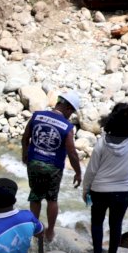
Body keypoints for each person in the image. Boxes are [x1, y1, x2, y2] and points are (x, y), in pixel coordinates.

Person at [82, 103, 128, 253]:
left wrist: (85, 189)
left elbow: (91, 171)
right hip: (124, 191)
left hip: (100, 191)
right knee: (116, 225)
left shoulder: (102, 143)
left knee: (97, 223)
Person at [21, 92, 82, 243]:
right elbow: (72, 152)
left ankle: (34, 229)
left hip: (34, 162)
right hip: (53, 167)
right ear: (68, 108)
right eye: (72, 112)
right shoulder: (67, 127)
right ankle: (50, 232)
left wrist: (25, 153)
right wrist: (78, 172)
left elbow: (25, 137)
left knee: (35, 196)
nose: (71, 115)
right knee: (52, 199)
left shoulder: (37, 116)